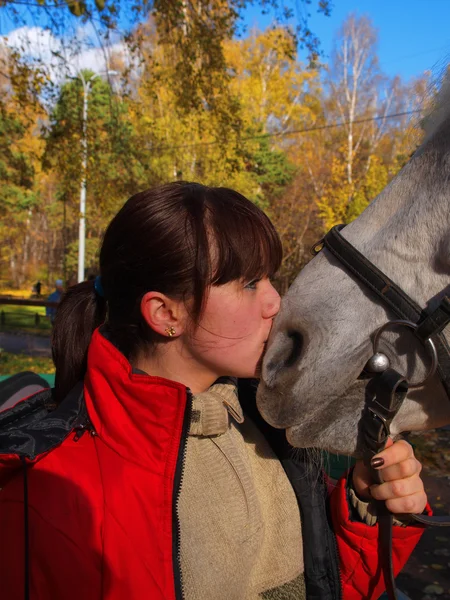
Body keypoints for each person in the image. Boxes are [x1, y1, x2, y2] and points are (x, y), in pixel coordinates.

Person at [0, 182, 429, 600]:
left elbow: (332, 585)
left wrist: (368, 508)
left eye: (268, 278)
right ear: (166, 313)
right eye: (248, 283)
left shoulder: (268, 426)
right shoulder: (48, 500)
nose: (275, 301)